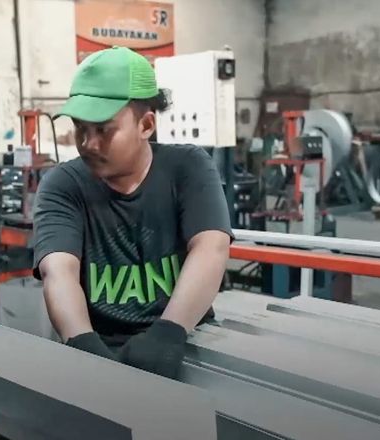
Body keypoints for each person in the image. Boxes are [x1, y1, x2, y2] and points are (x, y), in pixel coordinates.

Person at [32, 46, 233, 381]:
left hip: (185, 338)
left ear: (146, 124)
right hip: (101, 345)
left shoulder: (188, 168)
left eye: (103, 129)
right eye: (81, 128)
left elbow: (211, 247)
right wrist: (83, 343)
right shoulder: (63, 185)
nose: (88, 143)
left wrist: (169, 332)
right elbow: (58, 271)